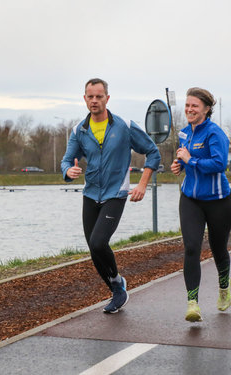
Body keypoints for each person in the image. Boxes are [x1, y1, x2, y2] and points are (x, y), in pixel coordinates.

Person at [61, 78, 160, 313]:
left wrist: (142, 185)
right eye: (90, 96)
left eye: (99, 96)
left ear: (107, 98)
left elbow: (152, 153)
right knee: (94, 249)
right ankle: (116, 286)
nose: (94, 100)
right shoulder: (79, 130)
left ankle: (117, 287)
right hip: (90, 194)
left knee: (98, 242)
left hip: (116, 194)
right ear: (84, 98)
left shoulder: (124, 126)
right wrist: (68, 170)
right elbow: (67, 159)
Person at [171, 87, 231, 322]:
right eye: (187, 105)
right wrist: (180, 165)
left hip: (219, 202)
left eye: (195, 106)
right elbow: (185, 159)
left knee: (218, 249)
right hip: (190, 200)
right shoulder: (183, 134)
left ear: (207, 109)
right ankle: (193, 304)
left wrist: (192, 160)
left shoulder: (215, 134)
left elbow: (220, 164)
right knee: (191, 248)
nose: (189, 110)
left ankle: (223, 287)